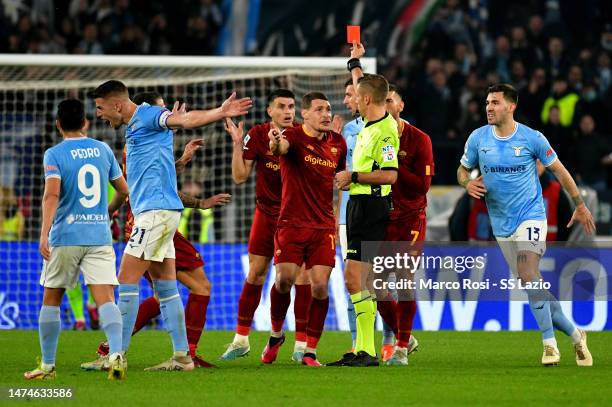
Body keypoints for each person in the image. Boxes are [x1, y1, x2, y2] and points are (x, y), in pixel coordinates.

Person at [91, 80, 250, 371]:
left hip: (154, 214)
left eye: (100, 108)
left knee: (126, 282)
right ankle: (182, 357)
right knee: (166, 289)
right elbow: (144, 175)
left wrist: (219, 111)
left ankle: (115, 356)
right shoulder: (137, 130)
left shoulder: (148, 114)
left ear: (116, 104)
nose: (99, 115)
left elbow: (187, 119)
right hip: (157, 214)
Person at [457, 83, 594, 366]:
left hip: (531, 216)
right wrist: (467, 182)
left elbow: (560, 171)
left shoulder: (532, 139)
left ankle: (549, 345)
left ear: (511, 106)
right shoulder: (478, 138)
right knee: (533, 285)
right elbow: (461, 170)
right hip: (502, 224)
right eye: (487, 103)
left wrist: (580, 204)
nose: (489, 108)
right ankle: (576, 334)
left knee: (528, 273)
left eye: (495, 103)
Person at [25, 99, 129, 380]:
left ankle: (47, 366)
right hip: (98, 235)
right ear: (85, 122)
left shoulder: (54, 154)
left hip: (66, 235)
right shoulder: (103, 149)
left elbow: (52, 195)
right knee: (106, 299)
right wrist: (108, 211)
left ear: (58, 124)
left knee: (51, 299)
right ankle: (117, 355)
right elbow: (123, 190)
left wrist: (44, 233)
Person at [222, 89, 312, 363]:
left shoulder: (302, 135)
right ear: (270, 111)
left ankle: (300, 344)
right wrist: (238, 144)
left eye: (292, 107)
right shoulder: (259, 135)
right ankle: (241, 339)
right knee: (256, 274)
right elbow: (239, 177)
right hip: (266, 214)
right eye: (282, 106)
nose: (288, 111)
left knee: (301, 279)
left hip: (297, 218)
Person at [260, 92, 346, 366]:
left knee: (320, 286)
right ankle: (276, 335)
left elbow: (340, 182)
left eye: (328, 109)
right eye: (319, 109)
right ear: (305, 114)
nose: (326, 114)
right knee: (284, 280)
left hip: (322, 227)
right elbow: (280, 148)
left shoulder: (338, 143)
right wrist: (275, 143)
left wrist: (336, 216)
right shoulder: (293, 137)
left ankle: (310, 350)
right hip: (291, 225)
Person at [331, 42, 400, 367]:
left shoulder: (385, 133)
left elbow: (389, 176)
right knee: (357, 280)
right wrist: (354, 61)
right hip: (358, 206)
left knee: (356, 279)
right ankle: (364, 349)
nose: (352, 100)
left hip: (371, 208)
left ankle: (368, 350)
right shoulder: (369, 121)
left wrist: (353, 175)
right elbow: (364, 83)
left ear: (368, 100)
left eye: (356, 96)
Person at [379, 84, 434, 365]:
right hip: (382, 219)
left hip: (411, 218)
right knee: (375, 285)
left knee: (403, 278)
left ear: (401, 106)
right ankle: (406, 335)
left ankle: (400, 348)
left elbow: (422, 187)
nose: (386, 105)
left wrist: (393, 169)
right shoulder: (373, 136)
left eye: (390, 100)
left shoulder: (419, 140)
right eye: (382, 101)